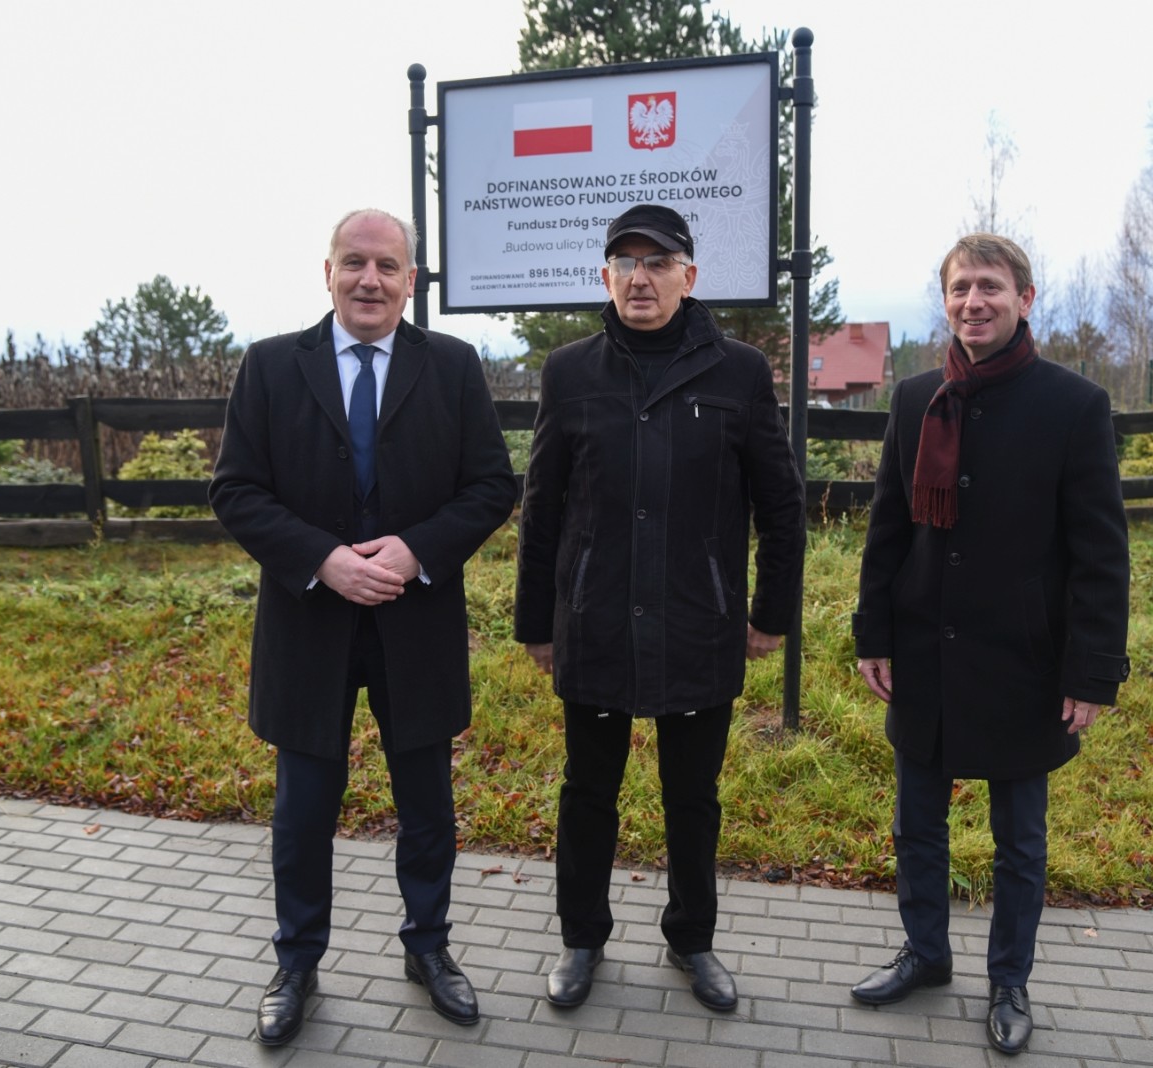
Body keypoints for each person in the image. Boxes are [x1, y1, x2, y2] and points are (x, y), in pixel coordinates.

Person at [209, 207, 516, 1045]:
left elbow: (491, 486)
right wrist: (324, 559)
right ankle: (296, 962)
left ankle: (429, 948)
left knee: (427, 807)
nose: (369, 280)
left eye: (386, 266)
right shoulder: (271, 367)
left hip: (417, 625)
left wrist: (416, 551)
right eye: (354, 262)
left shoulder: (451, 366)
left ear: (411, 281)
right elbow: (235, 490)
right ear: (328, 272)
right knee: (303, 811)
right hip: (309, 626)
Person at [514, 203, 806, 1013]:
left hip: (697, 620)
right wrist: (537, 621)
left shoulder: (738, 372)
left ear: (690, 275)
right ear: (606, 276)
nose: (640, 278)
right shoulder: (570, 372)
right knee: (588, 792)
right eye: (625, 263)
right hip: (597, 619)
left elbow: (782, 505)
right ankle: (582, 939)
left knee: (693, 798)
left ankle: (692, 939)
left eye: (657, 262)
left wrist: (770, 614)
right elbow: (542, 506)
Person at [849, 233, 1130, 1054]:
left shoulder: (1073, 405)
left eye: (991, 287)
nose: (974, 301)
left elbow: (1101, 554)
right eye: (960, 287)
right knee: (917, 824)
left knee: (1019, 842)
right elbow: (888, 528)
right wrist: (873, 632)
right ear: (945, 301)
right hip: (925, 654)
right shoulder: (915, 399)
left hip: (1024, 662)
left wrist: (1091, 672)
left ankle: (1010, 979)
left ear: (1025, 299)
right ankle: (926, 954)